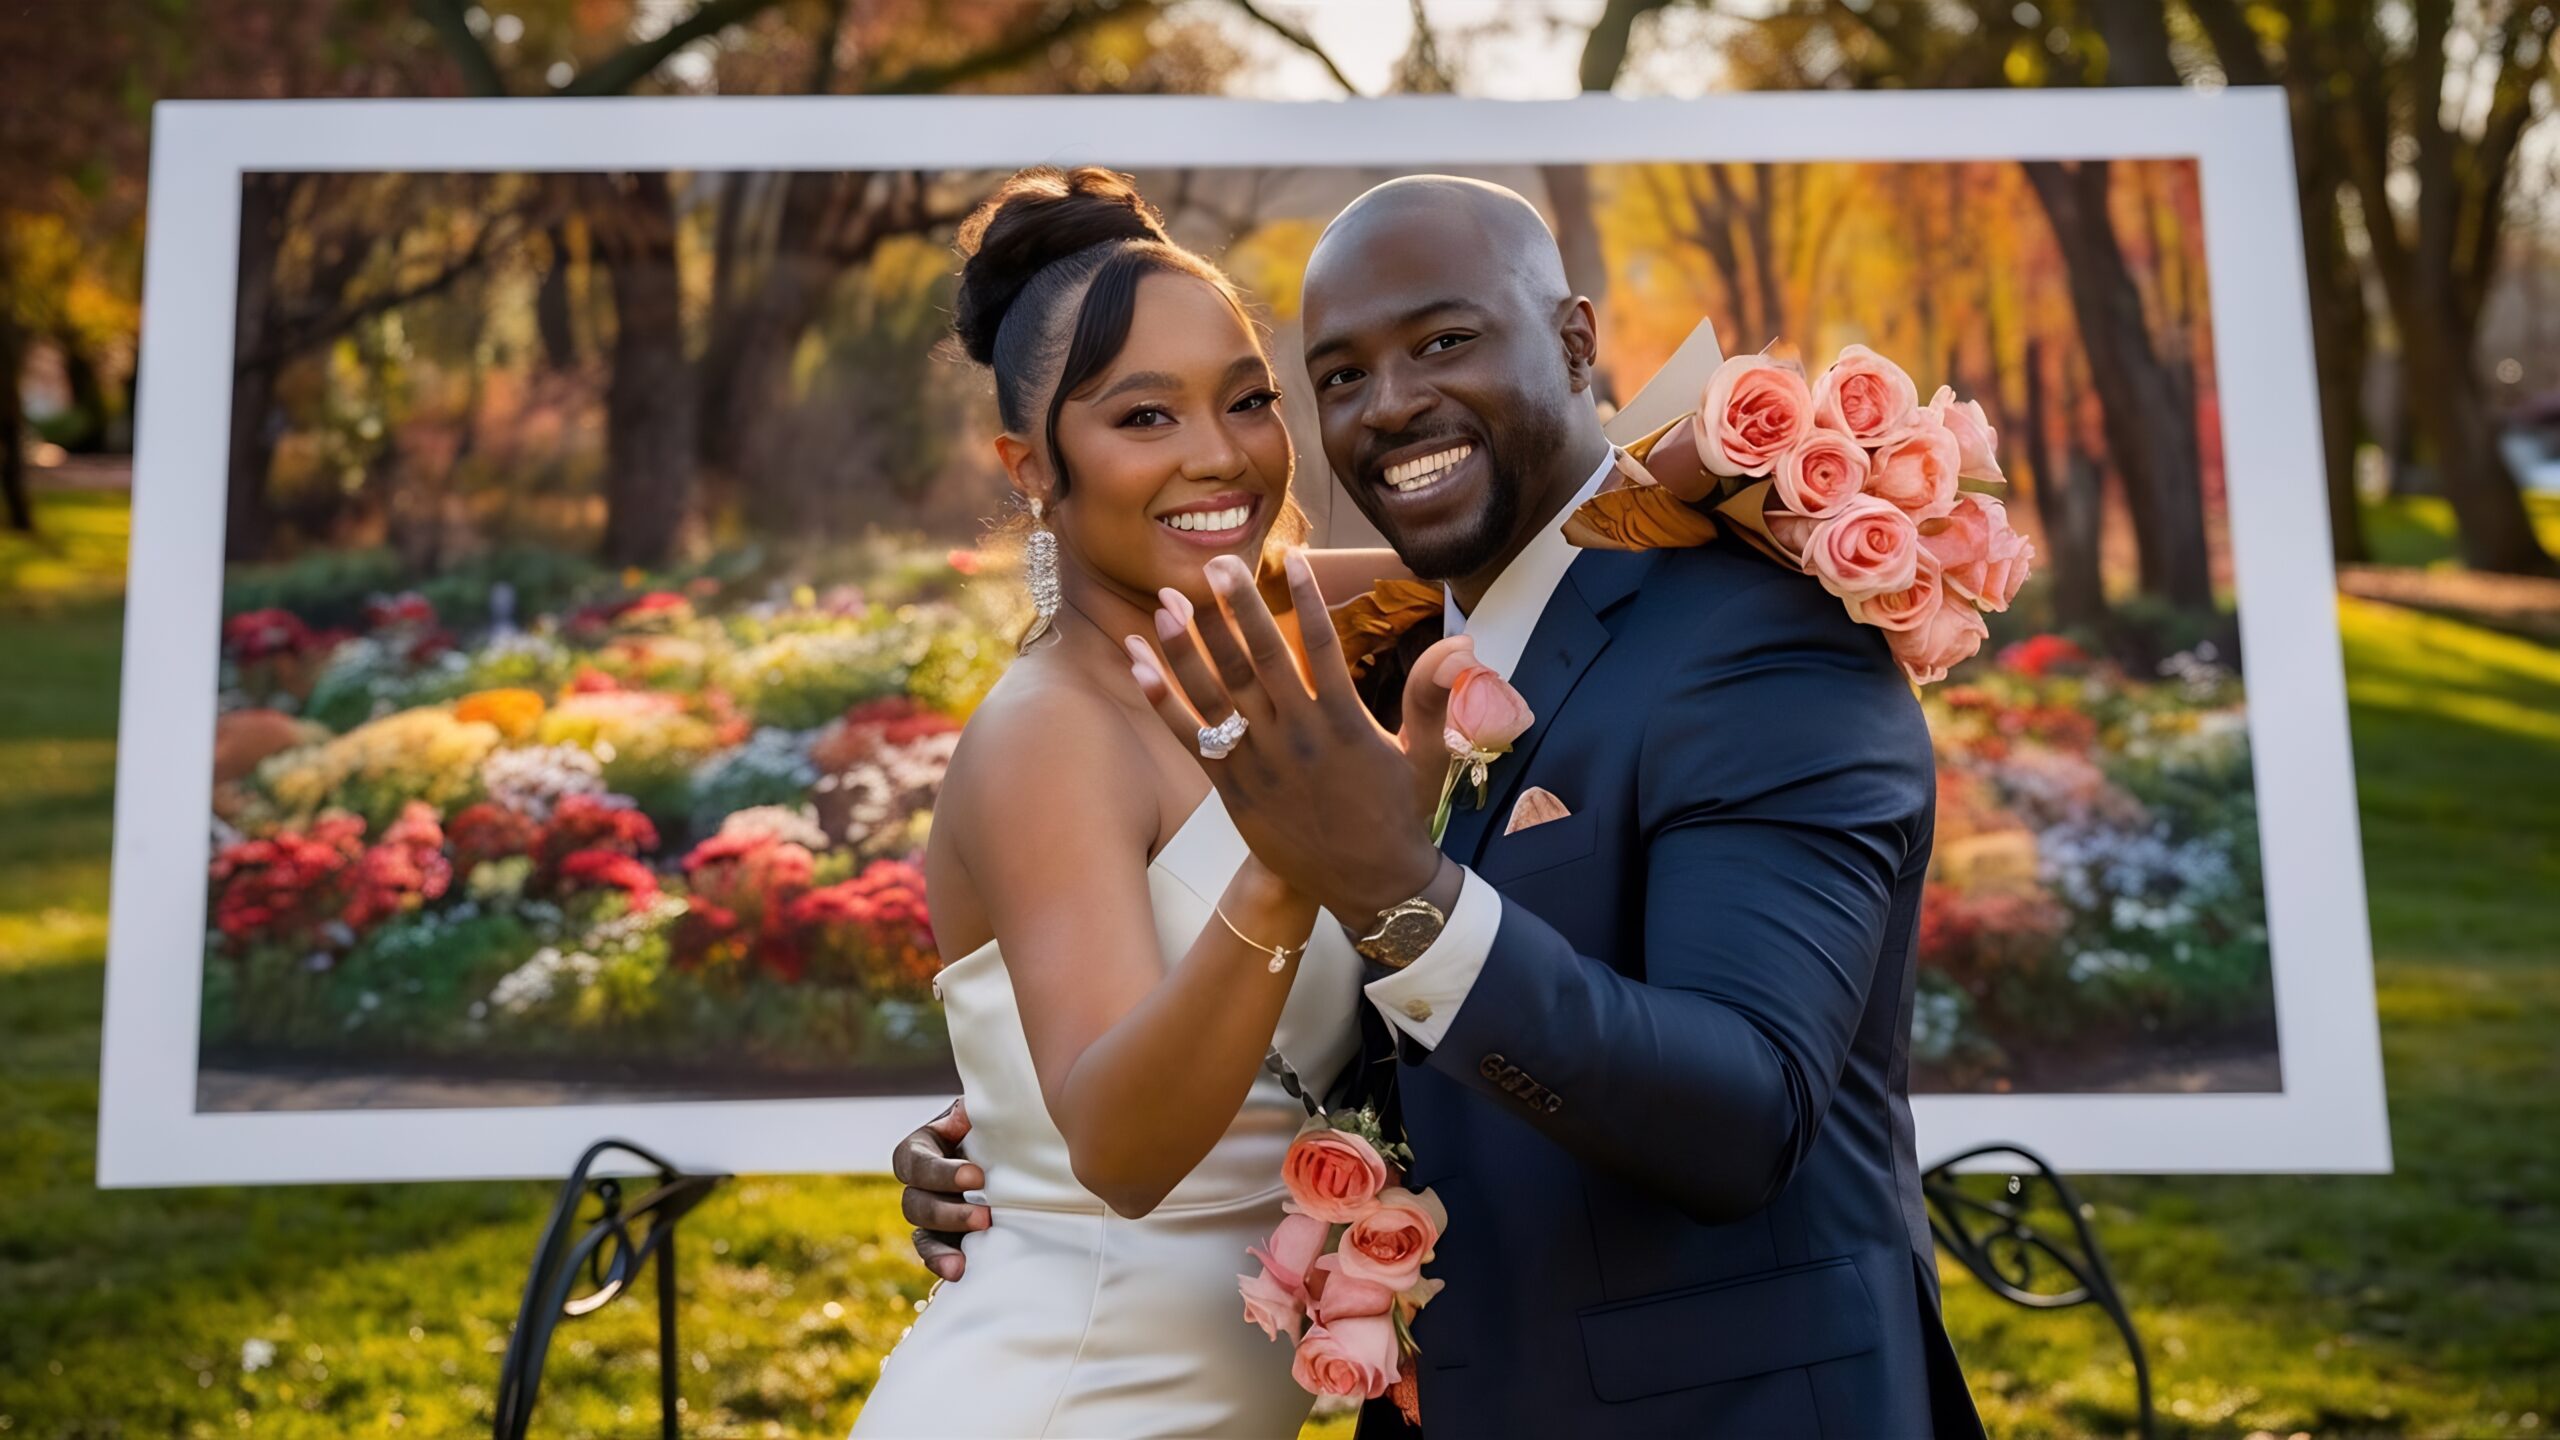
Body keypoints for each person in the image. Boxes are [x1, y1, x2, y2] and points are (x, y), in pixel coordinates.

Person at [895, 175, 1985, 1438]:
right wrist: (1012, 1161)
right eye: (1339, 375)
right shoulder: (1349, 666)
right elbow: (1147, 1086)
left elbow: (1742, 1114)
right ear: (1034, 467)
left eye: (1443, 340)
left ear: (1578, 341)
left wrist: (1394, 898)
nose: (1390, 402)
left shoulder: (1742, 645)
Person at [846, 166, 1451, 1440]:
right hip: (1062, 1396)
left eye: (1246, 401)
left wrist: (1769, 458)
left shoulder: (1275, 628)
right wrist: (1289, 859)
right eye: (1143, 418)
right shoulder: (1047, 736)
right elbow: (1118, 1153)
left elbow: (1533, 552)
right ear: (1033, 469)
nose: (1220, 455)